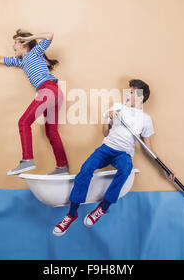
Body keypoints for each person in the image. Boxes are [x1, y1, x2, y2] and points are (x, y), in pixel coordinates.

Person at [52, 79, 175, 236]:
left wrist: (165, 169)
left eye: (132, 91)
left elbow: (148, 149)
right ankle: (71, 214)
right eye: (128, 90)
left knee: (126, 168)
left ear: (140, 97)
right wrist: (107, 119)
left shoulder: (145, 119)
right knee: (86, 169)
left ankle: (103, 208)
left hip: (123, 154)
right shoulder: (118, 107)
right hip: (106, 149)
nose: (127, 93)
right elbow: (105, 133)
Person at [0, 29, 69, 176]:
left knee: (23, 122)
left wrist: (31, 38)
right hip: (55, 93)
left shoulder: (35, 52)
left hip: (48, 90)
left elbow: (50, 36)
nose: (13, 47)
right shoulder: (20, 61)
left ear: (24, 44)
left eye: (15, 43)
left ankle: (27, 159)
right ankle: (62, 167)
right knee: (51, 132)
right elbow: (1, 59)